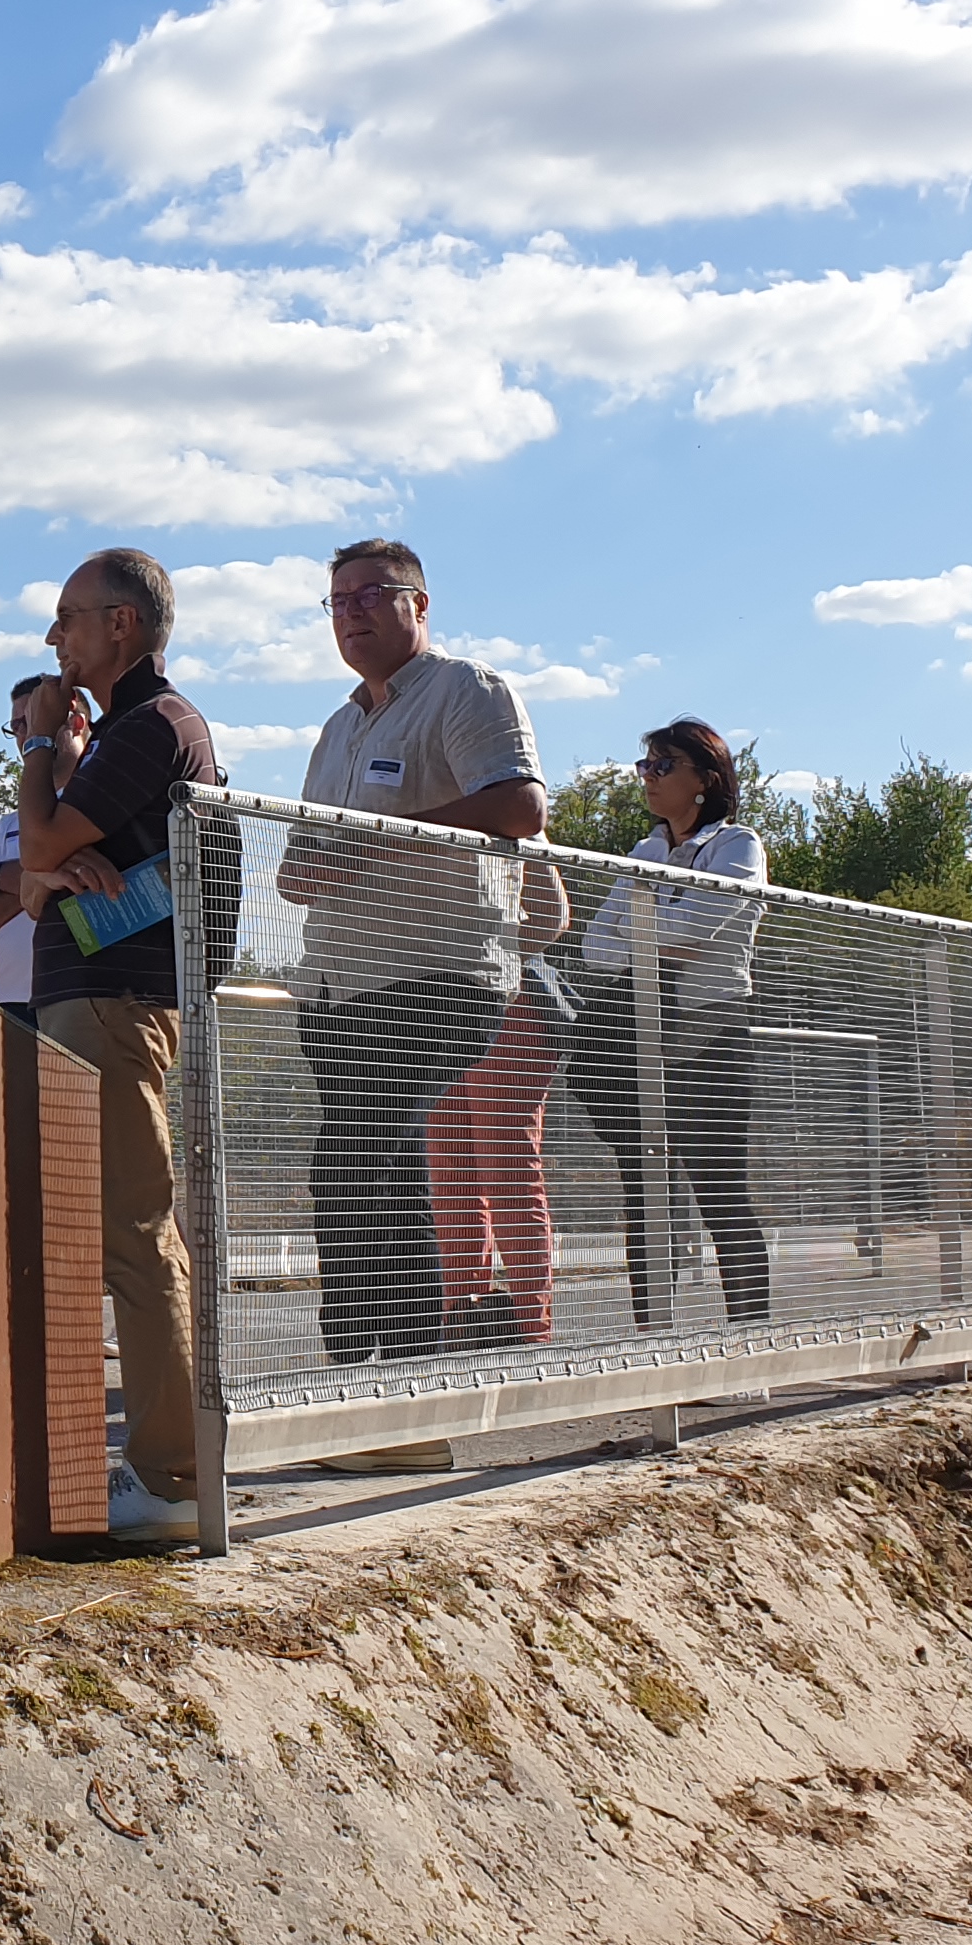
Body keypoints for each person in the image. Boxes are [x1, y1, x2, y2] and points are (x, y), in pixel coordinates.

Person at [270, 538, 545, 1365]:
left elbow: (520, 805)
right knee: (369, 1167)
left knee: (360, 1157)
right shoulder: (337, 727)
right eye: (337, 602)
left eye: (369, 595)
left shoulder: (466, 690)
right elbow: (302, 861)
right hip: (336, 983)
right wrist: (306, 870)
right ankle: (378, 1374)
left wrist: (380, 846)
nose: (350, 613)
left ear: (419, 605)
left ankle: (393, 1376)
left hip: (435, 969)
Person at [7, 549, 224, 1542]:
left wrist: (42, 749)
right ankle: (151, 1462)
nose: (56, 638)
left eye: (69, 618)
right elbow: (29, 876)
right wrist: (49, 863)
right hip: (85, 1001)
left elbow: (41, 848)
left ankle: (174, 1475)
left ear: (122, 626)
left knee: (136, 1232)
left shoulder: (152, 726)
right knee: (107, 1235)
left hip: (112, 1002)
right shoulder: (131, 734)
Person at [571, 720, 774, 1328]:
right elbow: (594, 948)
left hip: (711, 1031)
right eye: (646, 765)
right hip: (644, 1031)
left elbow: (696, 931)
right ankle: (654, 1346)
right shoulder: (645, 852)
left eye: (664, 766)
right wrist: (655, 942)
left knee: (719, 1189)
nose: (649, 777)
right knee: (645, 1190)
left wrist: (647, 936)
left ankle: (747, 1351)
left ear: (704, 783)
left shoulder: (738, 846)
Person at [422, 851, 577, 1349]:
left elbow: (552, 915)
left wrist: (489, 963)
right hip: (442, 1009)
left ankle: (531, 1331)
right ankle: (462, 1326)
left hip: (509, 1006)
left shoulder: (503, 795)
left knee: (507, 1173)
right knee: (450, 1179)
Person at [0, 675, 87, 1033]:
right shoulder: (7, 826)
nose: (25, 736)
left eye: (34, 722)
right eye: (16, 727)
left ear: (76, 722)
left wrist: (2, 879)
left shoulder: (97, 811)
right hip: (4, 1007)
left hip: (77, 1003)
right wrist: (38, 877)